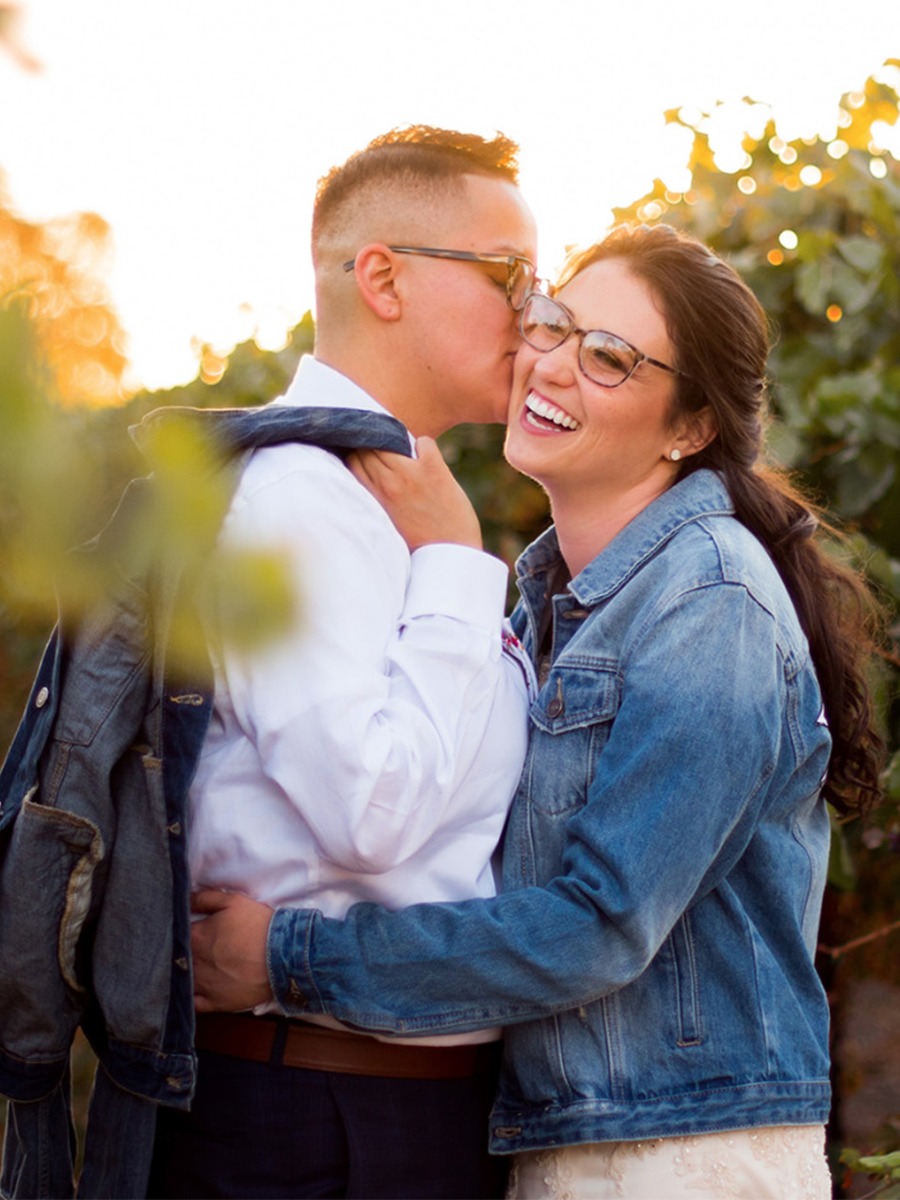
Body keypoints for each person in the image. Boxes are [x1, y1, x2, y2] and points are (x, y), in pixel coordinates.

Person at [190, 224, 885, 1200]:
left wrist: (289, 958)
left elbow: (601, 924)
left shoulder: (710, 603)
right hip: (568, 1137)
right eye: (554, 324)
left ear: (688, 428)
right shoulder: (549, 600)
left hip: (682, 1155)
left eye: (608, 357)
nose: (550, 365)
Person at [148, 125, 538, 1200]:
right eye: (510, 274)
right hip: (316, 1124)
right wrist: (462, 567)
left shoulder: (388, 501)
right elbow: (372, 813)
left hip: (399, 1109)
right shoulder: (299, 500)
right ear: (383, 278)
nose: (536, 312)